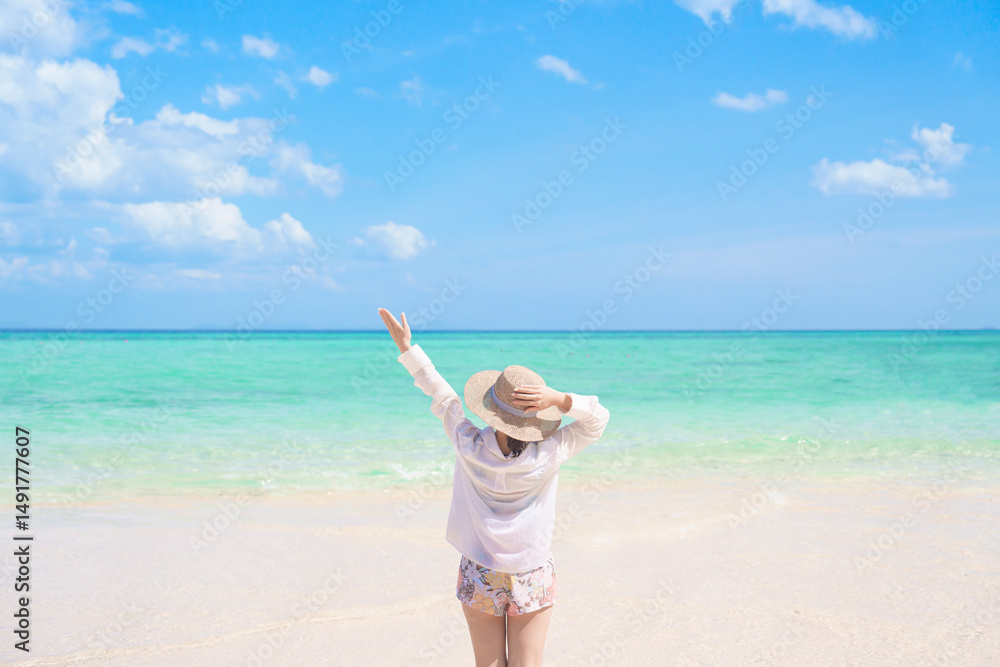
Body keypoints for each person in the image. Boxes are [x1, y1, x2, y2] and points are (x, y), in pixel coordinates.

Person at [378, 308, 610, 667]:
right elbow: (597, 420)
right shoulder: (551, 452)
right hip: (531, 570)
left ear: (491, 411)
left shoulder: (467, 443)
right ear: (537, 418)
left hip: (480, 569)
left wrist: (408, 348)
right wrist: (559, 399)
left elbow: (443, 397)